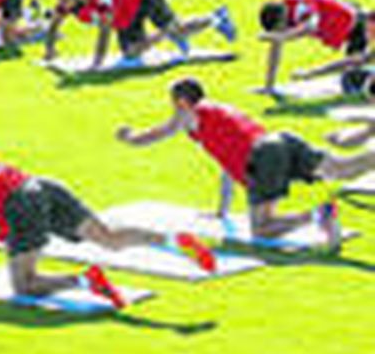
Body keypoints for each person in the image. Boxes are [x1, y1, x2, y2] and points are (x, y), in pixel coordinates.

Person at [0, 152, 213, 304]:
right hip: (42, 186)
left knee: (24, 286)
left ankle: (84, 279)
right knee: (110, 238)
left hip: (22, 205)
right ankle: (170, 240)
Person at [115, 77, 375, 250]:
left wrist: (128, 136)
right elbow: (227, 165)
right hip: (282, 141)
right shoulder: (219, 113)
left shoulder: (189, 115)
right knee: (344, 168)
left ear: (182, 102)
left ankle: (318, 215)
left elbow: (152, 136)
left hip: (264, 157)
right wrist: (222, 210)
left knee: (262, 229)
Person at [46, 0, 234, 70]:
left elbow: (104, 31)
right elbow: (54, 23)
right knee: (131, 53)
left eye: (65, 0)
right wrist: (50, 50)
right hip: (126, 13)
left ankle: (216, 18)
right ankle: (167, 33)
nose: (63, 5)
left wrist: (97, 63)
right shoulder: (69, 3)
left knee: (180, 30)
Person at [259, 0, 374, 94]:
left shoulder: (302, 4)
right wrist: (269, 85)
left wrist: (311, 73)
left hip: (356, 25)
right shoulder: (288, 14)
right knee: (353, 80)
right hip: (353, 27)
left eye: (281, 29)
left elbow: (310, 26)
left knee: (357, 81)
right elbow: (275, 48)